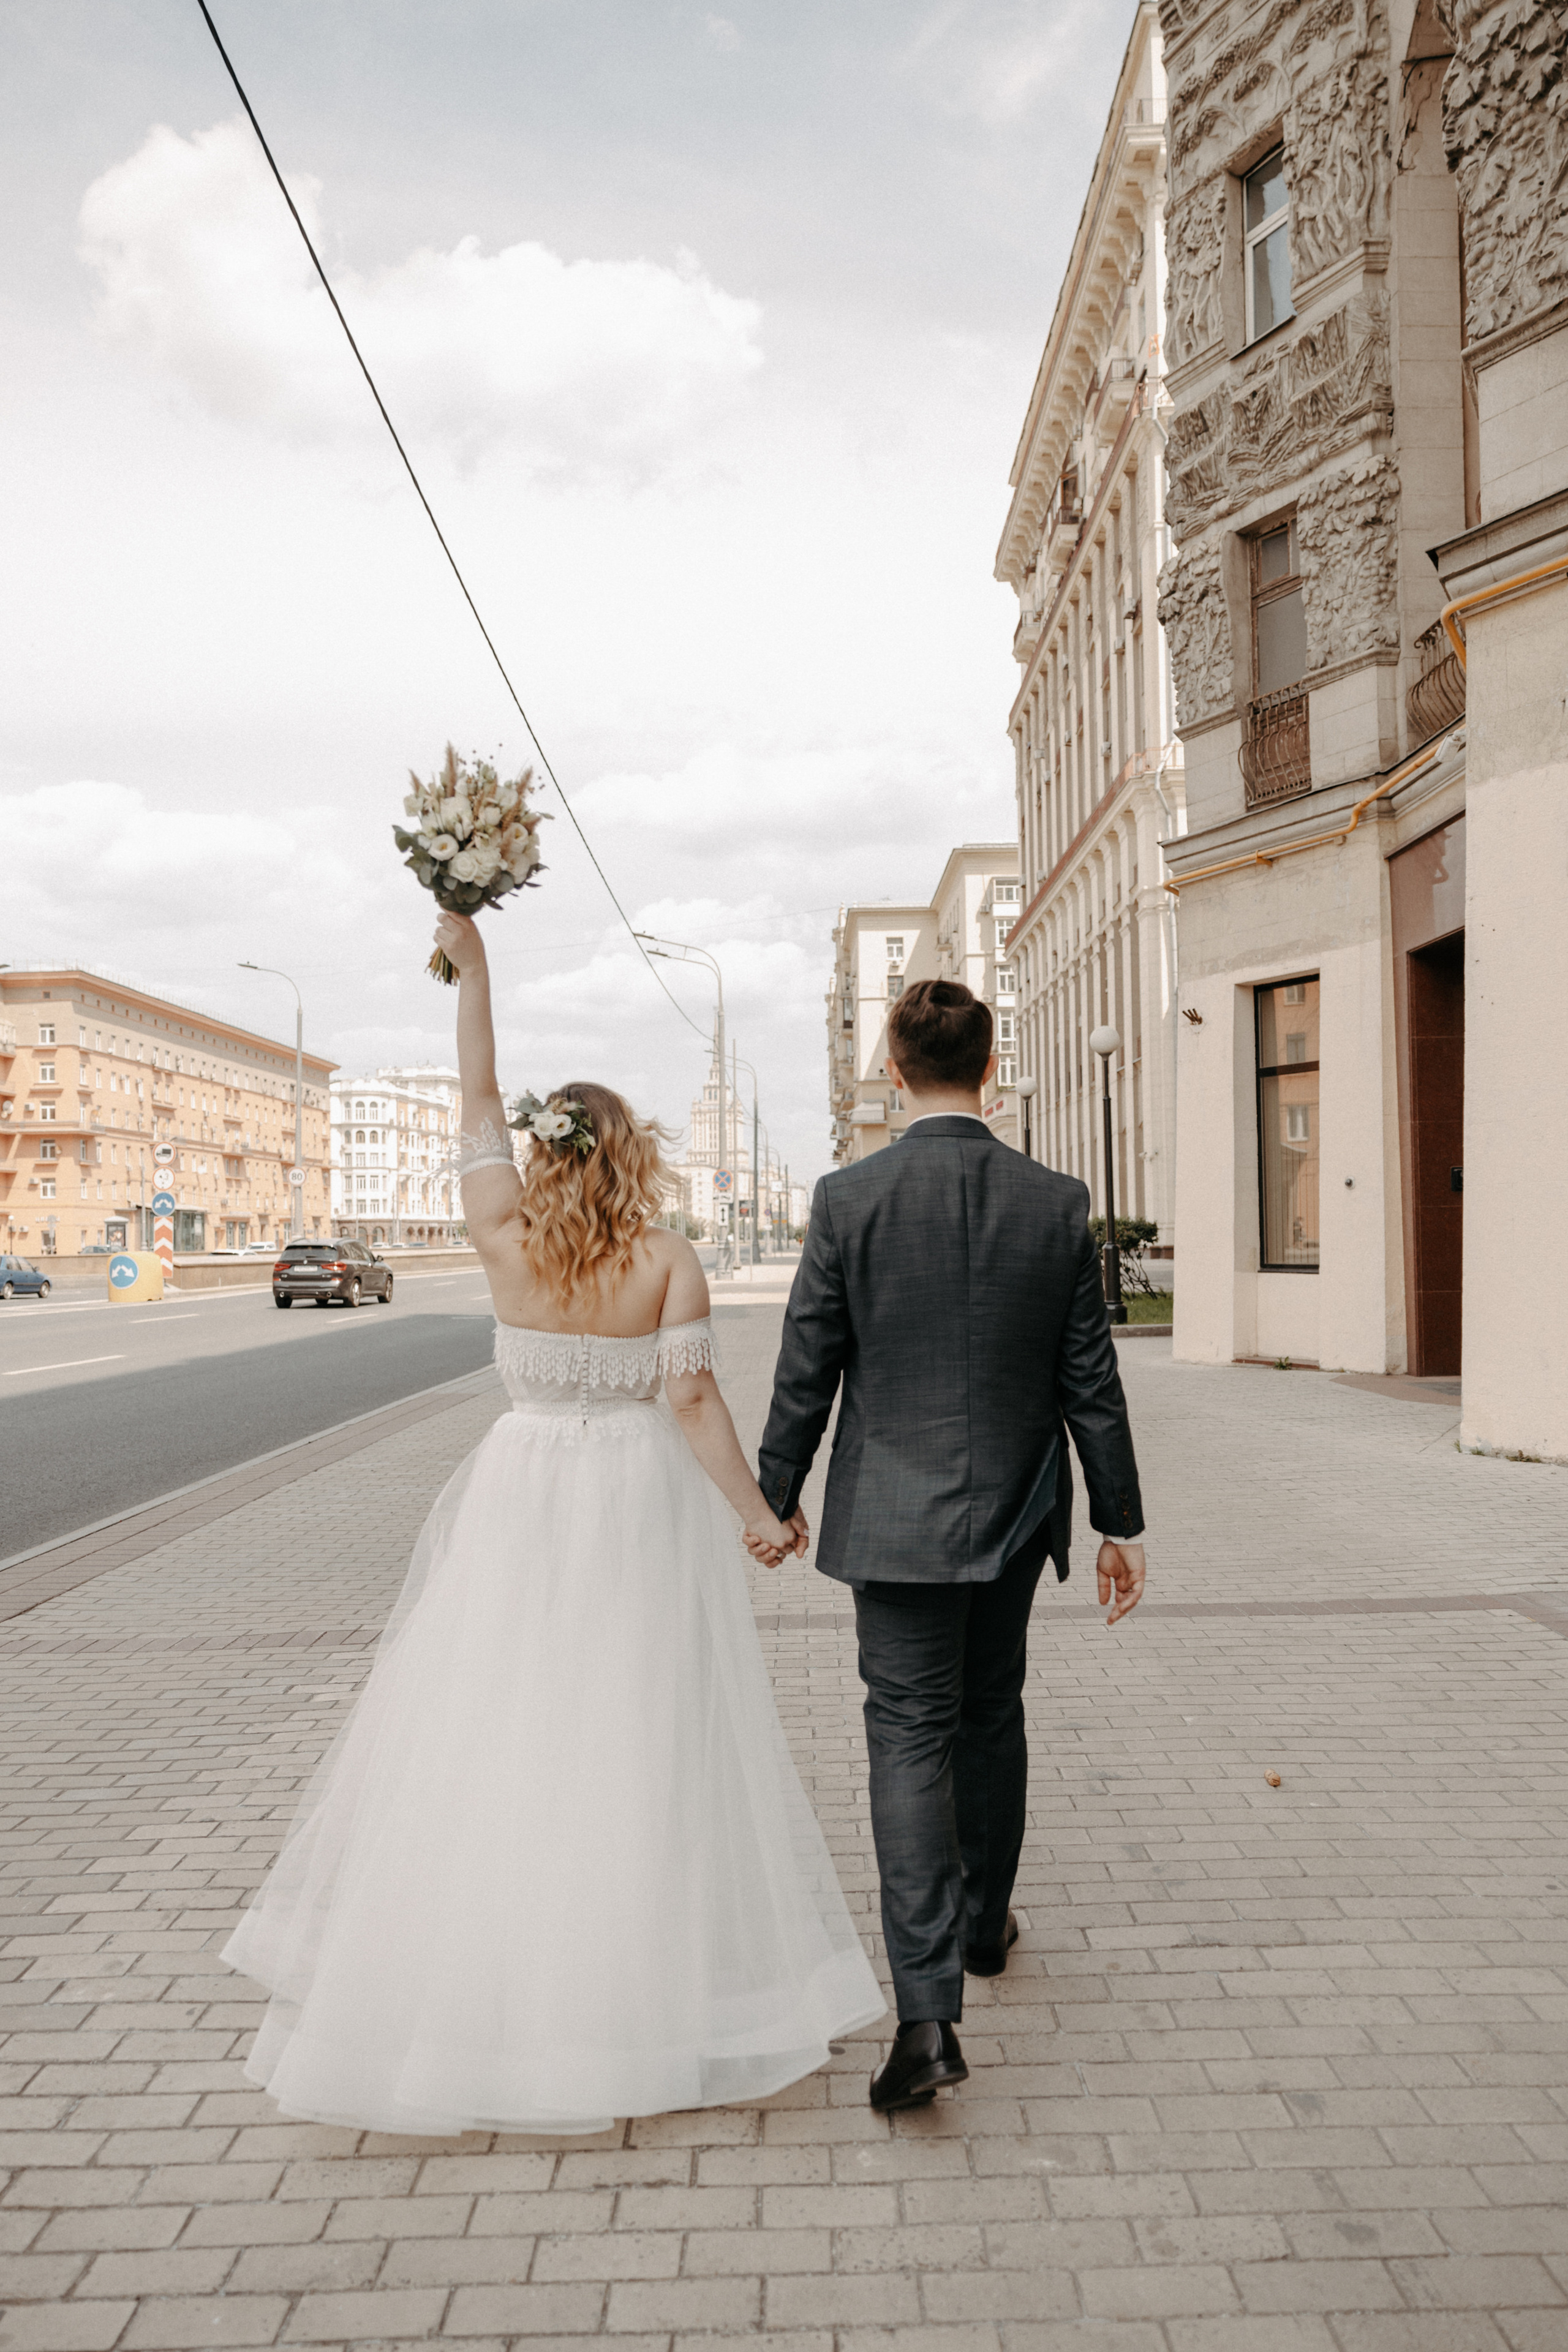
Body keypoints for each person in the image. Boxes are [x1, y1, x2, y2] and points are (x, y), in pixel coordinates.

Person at [222, 911, 884, 2133]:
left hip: (520, 1493)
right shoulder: (667, 1257)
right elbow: (688, 1398)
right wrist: (757, 1516)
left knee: (503, 1719)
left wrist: (473, 971)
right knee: (637, 1727)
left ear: (544, 1155)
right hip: (634, 1503)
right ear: (630, 1155)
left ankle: (495, 1980)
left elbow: (475, 1090)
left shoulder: (500, 1233)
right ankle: (636, 1986)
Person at [758, 978, 1146, 2113]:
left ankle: (926, 2018)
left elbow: (805, 1367)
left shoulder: (847, 1199)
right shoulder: (1056, 1201)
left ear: (892, 1066)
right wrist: (1120, 1520)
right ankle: (983, 1929)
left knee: (909, 1736)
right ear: (991, 1068)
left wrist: (773, 1495)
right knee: (992, 1711)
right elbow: (1093, 1381)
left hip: (892, 1518)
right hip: (1020, 1513)